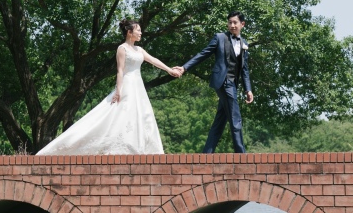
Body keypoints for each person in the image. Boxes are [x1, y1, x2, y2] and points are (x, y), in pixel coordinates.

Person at [36, 19, 182, 156]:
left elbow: (154, 60)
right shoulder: (122, 48)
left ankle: (139, 147)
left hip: (138, 85)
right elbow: (120, 70)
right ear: (129, 32)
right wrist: (118, 90)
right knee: (121, 114)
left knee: (142, 114)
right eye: (138, 30)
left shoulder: (139, 50)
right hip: (127, 84)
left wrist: (169, 70)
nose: (141, 32)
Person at [173, 11, 253, 153]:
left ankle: (207, 153)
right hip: (223, 82)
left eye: (235, 22)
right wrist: (185, 67)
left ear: (242, 24)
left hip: (233, 83)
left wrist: (248, 89)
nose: (232, 25)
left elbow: (244, 69)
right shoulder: (220, 37)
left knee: (220, 120)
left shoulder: (244, 43)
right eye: (230, 22)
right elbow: (203, 54)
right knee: (235, 116)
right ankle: (241, 153)